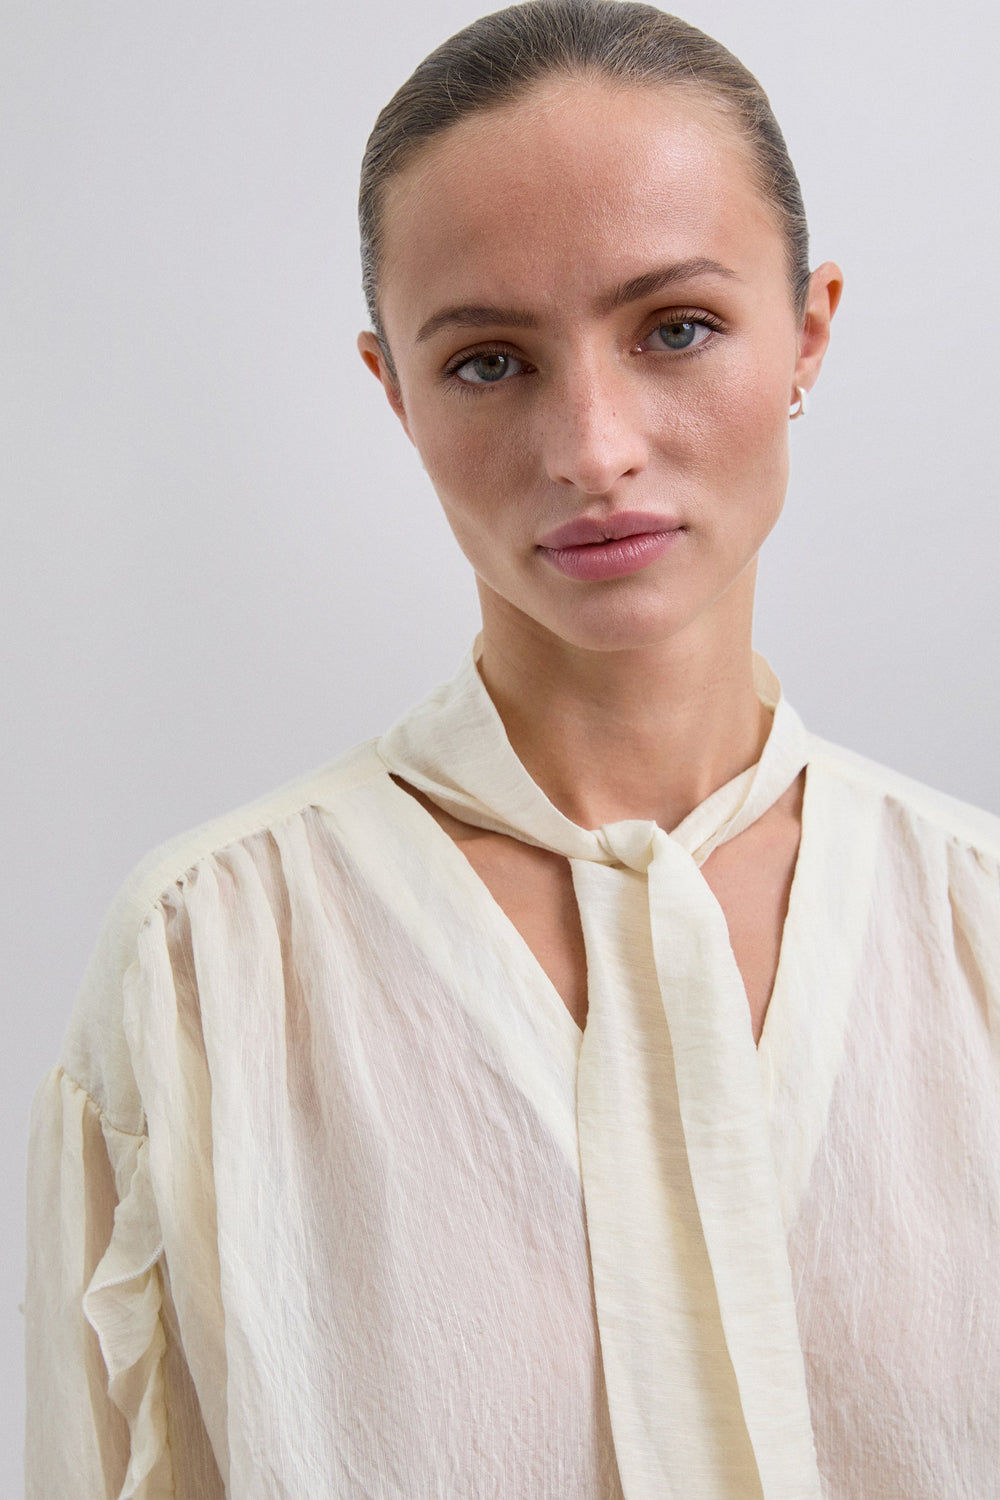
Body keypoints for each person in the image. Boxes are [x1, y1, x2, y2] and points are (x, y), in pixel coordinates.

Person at [24, 2, 1000, 1496]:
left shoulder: (977, 926)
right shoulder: (208, 963)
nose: (593, 448)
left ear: (809, 331)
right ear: (393, 391)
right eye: (490, 362)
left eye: (677, 328)